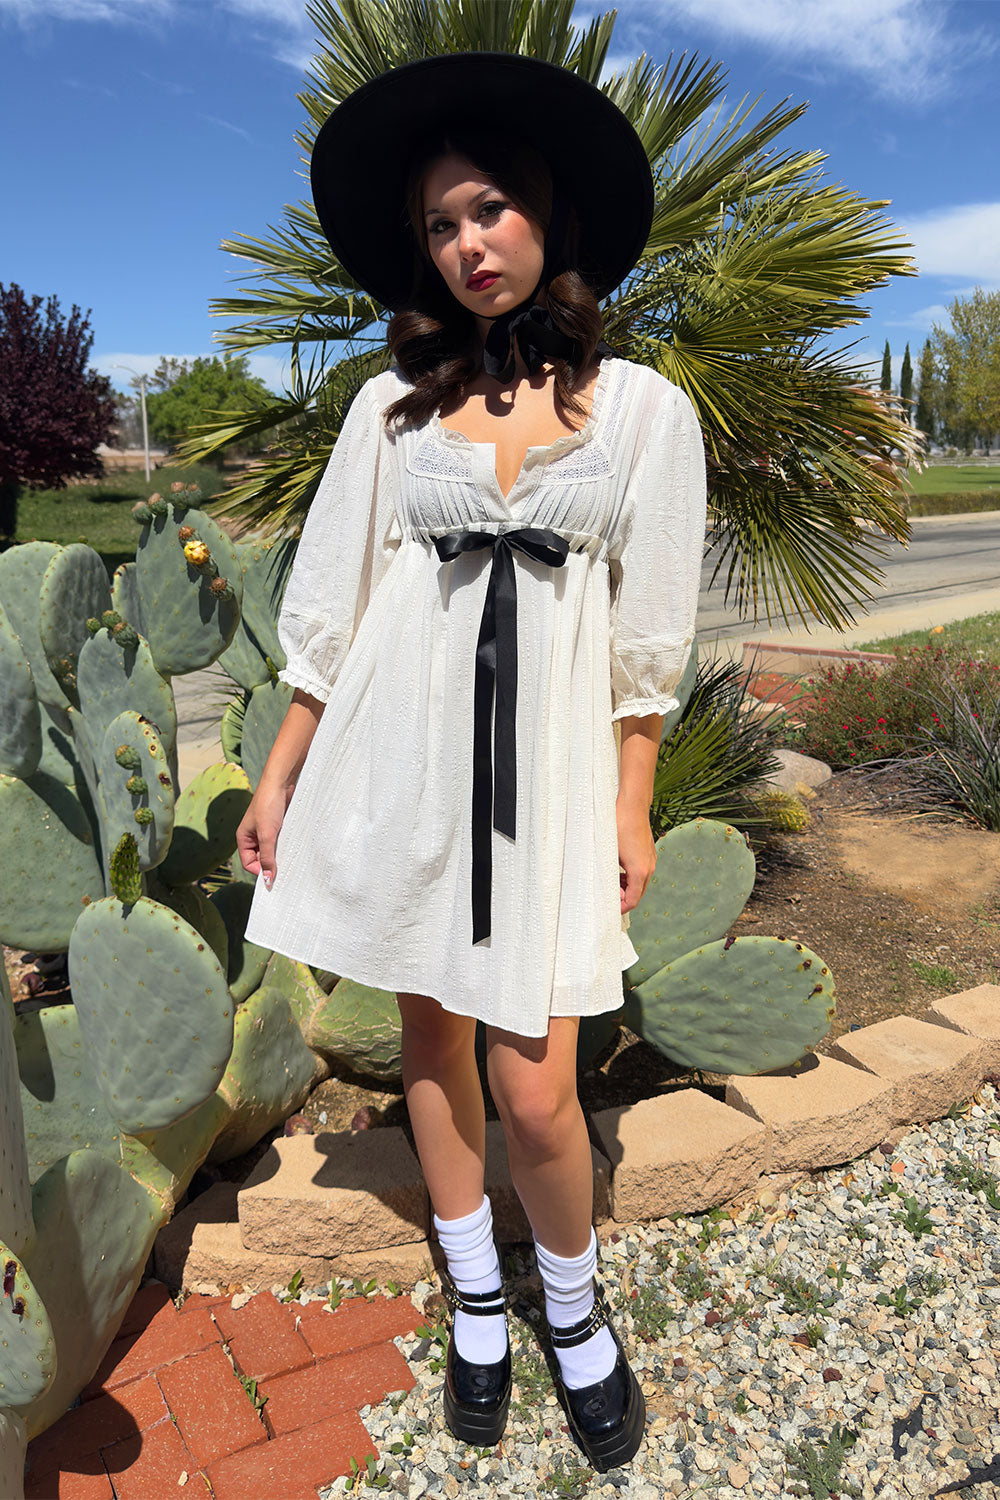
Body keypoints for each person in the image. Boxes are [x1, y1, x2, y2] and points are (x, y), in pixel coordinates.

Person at [238, 52, 708, 1473]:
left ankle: (573, 1306)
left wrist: (632, 802)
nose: (468, 245)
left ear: (546, 216)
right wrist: (280, 773)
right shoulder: (386, 412)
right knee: (432, 1043)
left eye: (490, 210)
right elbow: (335, 606)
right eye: (442, 225)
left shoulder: (643, 412)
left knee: (540, 1085)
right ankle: (481, 1305)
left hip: (549, 788)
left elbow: (649, 634)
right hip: (407, 765)